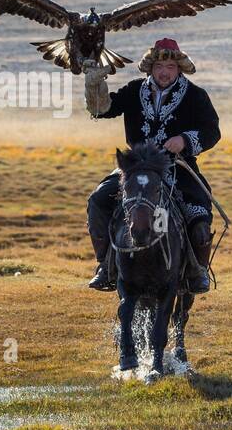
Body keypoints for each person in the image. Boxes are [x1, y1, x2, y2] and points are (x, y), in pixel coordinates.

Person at [83, 37, 220, 292]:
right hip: (135, 169)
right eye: (159, 66)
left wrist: (184, 140)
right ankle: (104, 265)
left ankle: (197, 271)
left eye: (170, 67)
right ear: (150, 68)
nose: (164, 72)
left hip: (177, 168)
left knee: (199, 213)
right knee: (98, 201)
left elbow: (212, 132)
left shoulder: (195, 96)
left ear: (179, 68)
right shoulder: (134, 90)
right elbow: (104, 110)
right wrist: (94, 84)